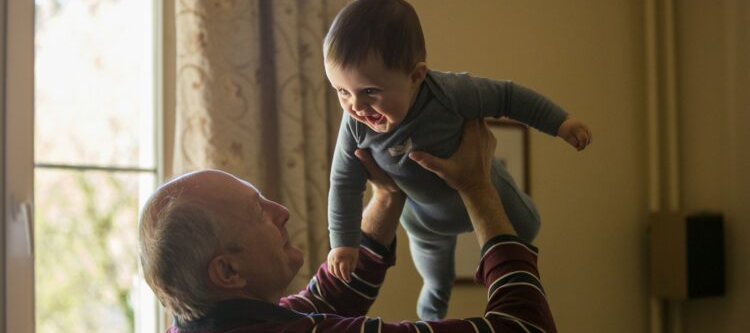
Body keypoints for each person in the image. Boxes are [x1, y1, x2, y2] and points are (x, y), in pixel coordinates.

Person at [138, 119, 556, 332]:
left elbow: (328, 299)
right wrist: (478, 188)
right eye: (257, 212)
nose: (280, 211)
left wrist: (387, 197)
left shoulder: (220, 321)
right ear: (227, 271)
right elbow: (524, 328)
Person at [325, 0, 592, 319]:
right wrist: (343, 243)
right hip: (425, 219)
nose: (356, 106)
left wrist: (561, 122)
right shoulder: (354, 125)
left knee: (528, 228)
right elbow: (343, 183)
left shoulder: (449, 93)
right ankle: (431, 318)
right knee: (436, 279)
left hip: (486, 185)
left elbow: (508, 97)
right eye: (342, 91)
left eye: (370, 91)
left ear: (415, 76)